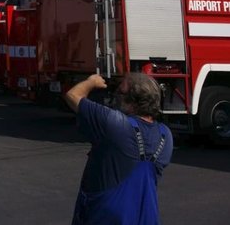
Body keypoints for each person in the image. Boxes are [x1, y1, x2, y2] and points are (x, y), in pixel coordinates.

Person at [65, 73, 173, 225]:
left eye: (119, 92)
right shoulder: (165, 135)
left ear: (133, 100)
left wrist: (91, 82)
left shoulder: (115, 124)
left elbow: (73, 95)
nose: (115, 96)